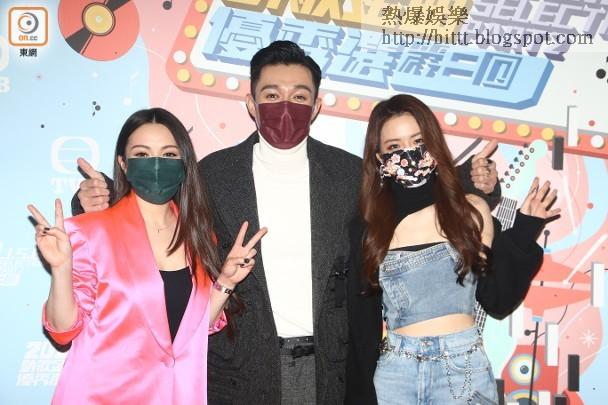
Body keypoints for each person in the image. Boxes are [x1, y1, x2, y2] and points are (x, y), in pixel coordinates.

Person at [70, 42, 500, 404]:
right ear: (251, 103)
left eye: (299, 96)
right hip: (239, 370)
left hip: (330, 368)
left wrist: (476, 183)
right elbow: (160, 214)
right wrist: (94, 200)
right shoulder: (213, 174)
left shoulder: (350, 174)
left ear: (316, 106)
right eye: (272, 95)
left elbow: (411, 198)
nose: (285, 107)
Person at [28, 108, 266, 404]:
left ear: (184, 163)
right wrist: (61, 267)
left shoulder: (198, 234)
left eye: (169, 154)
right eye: (142, 154)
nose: (156, 164)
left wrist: (226, 282)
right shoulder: (90, 231)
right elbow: (63, 330)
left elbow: (190, 330)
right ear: (123, 164)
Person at [346, 95, 559, 404]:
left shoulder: (469, 210)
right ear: (379, 158)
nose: (409, 154)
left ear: (433, 144)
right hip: (395, 373)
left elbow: (498, 298)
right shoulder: (368, 227)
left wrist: (525, 229)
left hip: (462, 369)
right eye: (394, 147)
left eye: (418, 141)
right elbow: (361, 323)